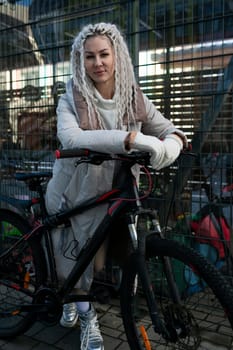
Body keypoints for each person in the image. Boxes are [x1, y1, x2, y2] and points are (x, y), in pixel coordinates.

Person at [45, 22, 187, 350]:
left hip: (119, 190)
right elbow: (71, 137)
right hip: (76, 192)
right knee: (83, 262)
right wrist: (131, 139)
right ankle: (85, 316)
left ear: (117, 56)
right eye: (89, 56)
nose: (98, 63)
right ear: (80, 62)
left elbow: (167, 127)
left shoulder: (132, 96)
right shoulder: (71, 98)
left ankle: (98, 304)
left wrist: (173, 142)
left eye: (104, 54)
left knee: (123, 252)